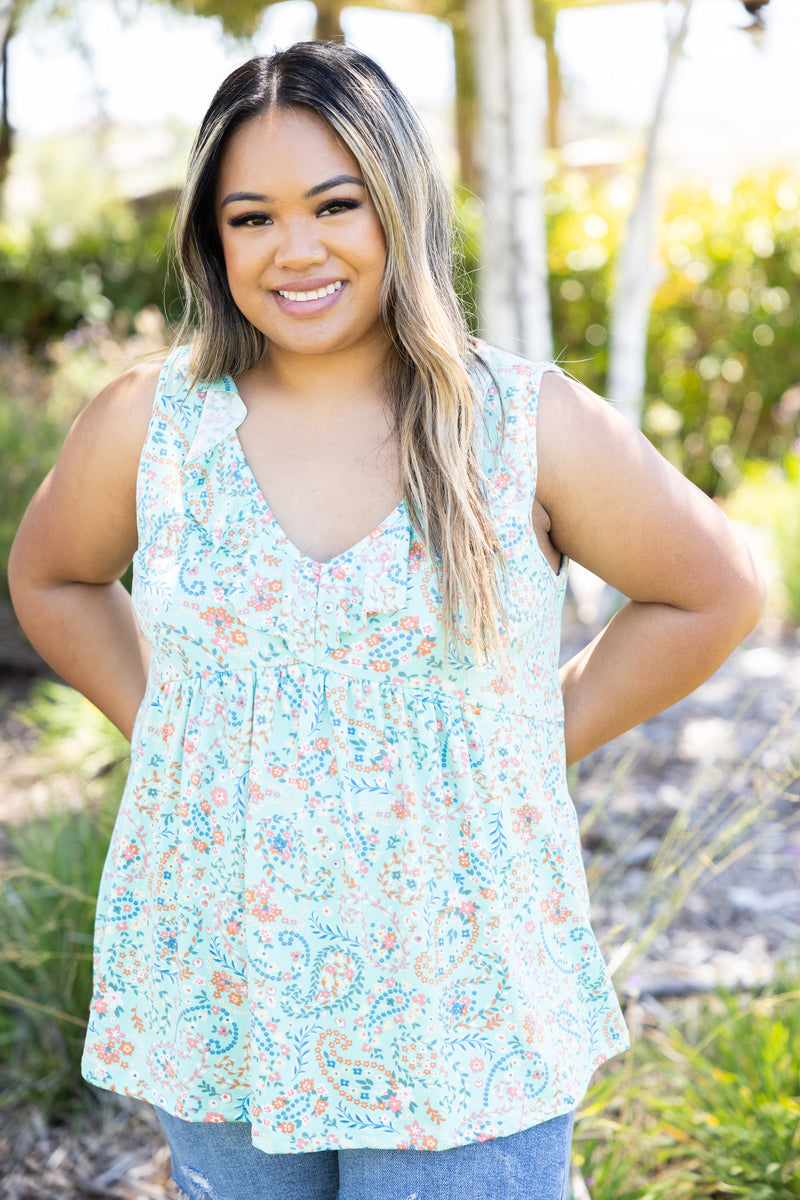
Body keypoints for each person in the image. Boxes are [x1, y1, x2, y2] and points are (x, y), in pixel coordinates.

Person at [9, 41, 764, 1200]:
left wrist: (528, 734)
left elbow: (713, 590)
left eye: (334, 204)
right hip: (226, 981)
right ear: (213, 239)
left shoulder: (517, 422)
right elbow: (54, 577)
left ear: (397, 204)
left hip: (460, 998)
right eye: (250, 216)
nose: (295, 248)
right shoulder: (149, 425)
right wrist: (175, 727)